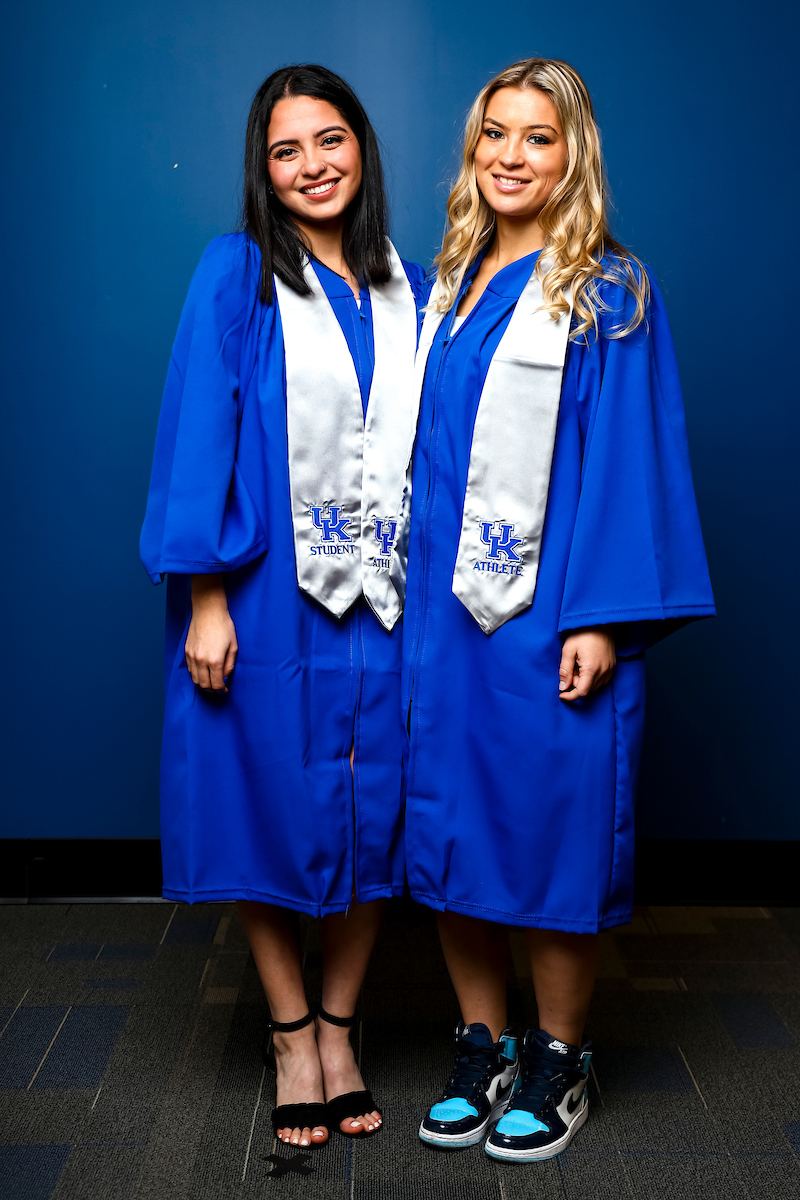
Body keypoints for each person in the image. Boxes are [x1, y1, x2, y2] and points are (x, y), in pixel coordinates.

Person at [404, 58, 715, 1162]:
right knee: (452, 821)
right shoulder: (443, 285)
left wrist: (598, 617)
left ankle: (556, 1057)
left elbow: (627, 468)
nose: (508, 156)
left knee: (550, 830)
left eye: (536, 137)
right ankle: (478, 1042)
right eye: (493, 133)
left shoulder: (611, 293)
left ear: (570, 153)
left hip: (553, 614)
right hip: (443, 617)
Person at [140, 64, 424, 1150]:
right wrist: (205, 599)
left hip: (382, 601)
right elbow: (198, 435)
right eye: (285, 150)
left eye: (331, 139)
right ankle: (289, 1030)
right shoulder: (237, 274)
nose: (314, 166)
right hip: (266, 594)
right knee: (266, 803)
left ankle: (341, 1027)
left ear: (363, 146)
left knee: (372, 806)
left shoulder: (407, 284)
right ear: (261, 170)